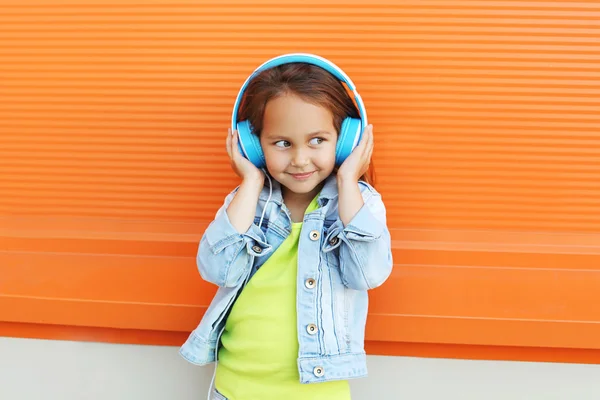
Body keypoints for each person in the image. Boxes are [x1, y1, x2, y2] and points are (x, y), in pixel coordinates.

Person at [179, 53, 393, 400]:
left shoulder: (357, 205)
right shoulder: (248, 202)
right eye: (282, 143)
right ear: (254, 145)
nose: (299, 159)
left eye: (317, 140)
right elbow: (219, 270)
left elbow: (367, 274)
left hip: (316, 391)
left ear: (346, 140)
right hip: (235, 387)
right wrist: (250, 181)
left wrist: (349, 180)